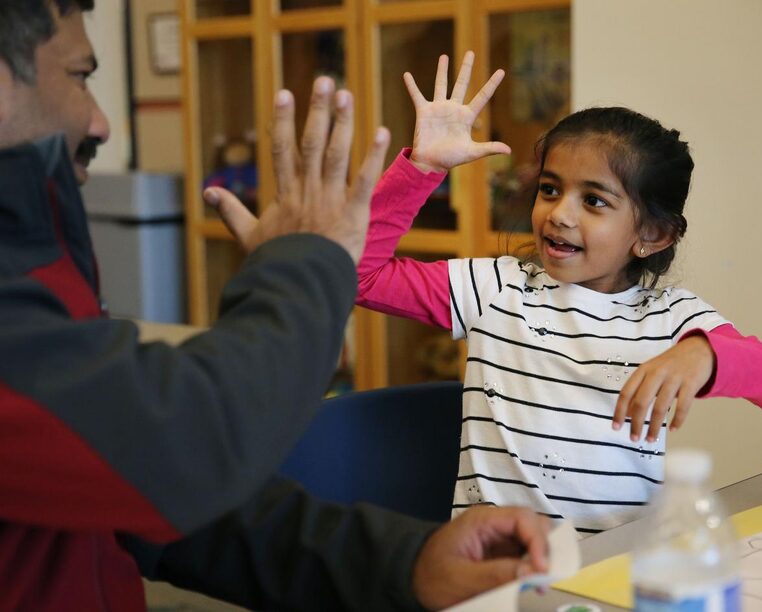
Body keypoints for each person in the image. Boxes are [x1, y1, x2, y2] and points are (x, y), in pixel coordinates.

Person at [0, 2, 554, 610]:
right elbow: (185, 447)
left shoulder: (672, 315)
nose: (101, 122)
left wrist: (406, 562)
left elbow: (137, 488)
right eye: (81, 75)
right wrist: (306, 257)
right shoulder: (502, 285)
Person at [356, 51, 762, 537]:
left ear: (655, 235)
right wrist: (422, 169)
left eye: (594, 200)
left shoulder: (674, 321)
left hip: (613, 570)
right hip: (491, 571)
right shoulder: (493, 288)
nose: (560, 214)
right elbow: (357, 276)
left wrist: (705, 356)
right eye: (551, 189)